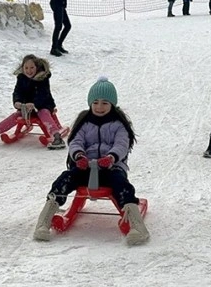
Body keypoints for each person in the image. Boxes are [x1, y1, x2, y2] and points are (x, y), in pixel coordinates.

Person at [32, 77, 150, 245]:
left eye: (104, 103)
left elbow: (122, 144)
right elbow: (76, 141)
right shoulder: (85, 123)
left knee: (121, 185)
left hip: (111, 167)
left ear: (112, 104)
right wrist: (79, 156)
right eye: (95, 102)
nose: (99, 107)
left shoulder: (118, 125)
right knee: (64, 179)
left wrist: (111, 157)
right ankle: (44, 220)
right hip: (85, 167)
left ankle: (137, 226)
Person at [0, 54, 66, 150]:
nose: (29, 71)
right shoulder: (21, 78)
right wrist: (17, 102)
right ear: (22, 68)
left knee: (44, 114)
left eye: (32, 67)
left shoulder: (42, 78)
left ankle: (57, 137)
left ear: (37, 67)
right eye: (26, 68)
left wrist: (34, 104)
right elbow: (17, 92)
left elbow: (43, 95)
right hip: (26, 109)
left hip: (43, 105)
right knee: (15, 117)